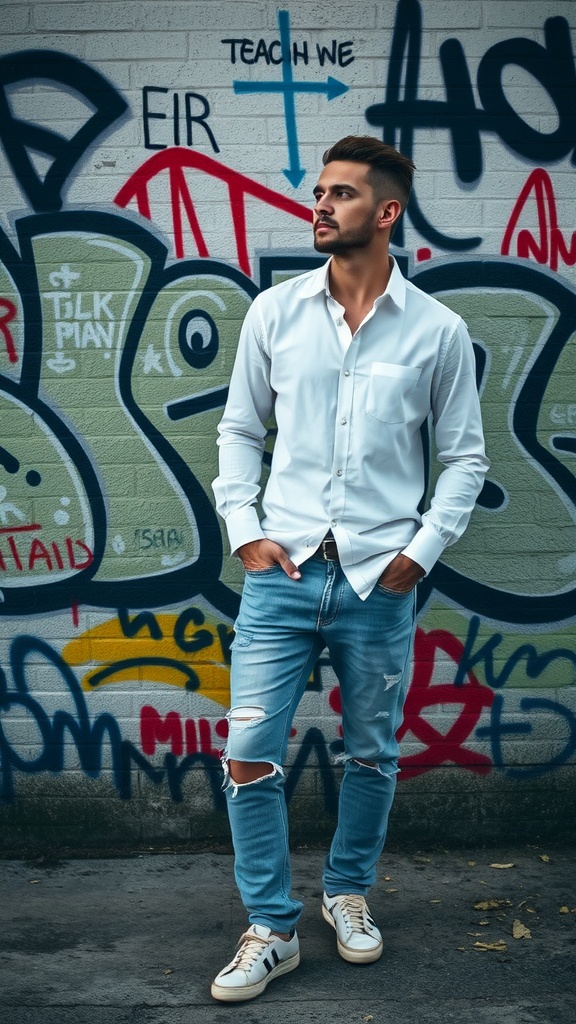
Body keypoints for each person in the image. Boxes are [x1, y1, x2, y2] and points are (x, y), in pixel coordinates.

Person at [210, 135, 489, 1002]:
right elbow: (239, 431)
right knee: (250, 749)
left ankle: (346, 894)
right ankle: (270, 927)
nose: (320, 206)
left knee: (371, 754)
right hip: (280, 572)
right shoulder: (275, 313)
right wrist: (243, 527)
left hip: (379, 582)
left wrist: (418, 554)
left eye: (339, 194)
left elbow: (466, 460)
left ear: (387, 212)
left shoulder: (438, 331)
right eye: (319, 192)